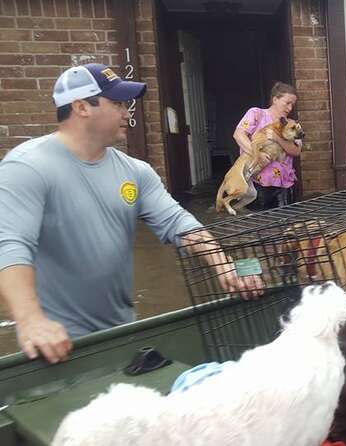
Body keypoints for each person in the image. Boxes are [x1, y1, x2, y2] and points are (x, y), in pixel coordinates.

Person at [0, 63, 263, 364]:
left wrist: (224, 265)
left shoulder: (135, 172)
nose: (127, 112)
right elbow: (10, 245)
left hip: (121, 334)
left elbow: (178, 223)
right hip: (54, 346)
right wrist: (30, 320)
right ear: (81, 107)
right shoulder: (27, 166)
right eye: (117, 104)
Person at [232, 82, 301, 210]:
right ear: (275, 99)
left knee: (286, 220)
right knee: (259, 220)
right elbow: (238, 135)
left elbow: (296, 151)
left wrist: (277, 138)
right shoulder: (256, 114)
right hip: (257, 182)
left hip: (283, 184)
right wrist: (257, 154)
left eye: (292, 104)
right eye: (287, 103)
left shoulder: (292, 124)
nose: (290, 108)